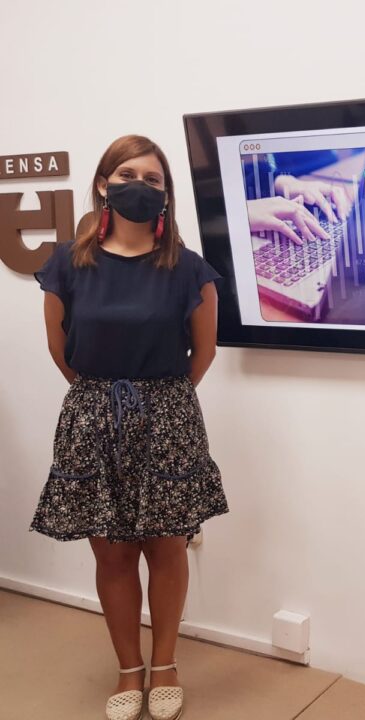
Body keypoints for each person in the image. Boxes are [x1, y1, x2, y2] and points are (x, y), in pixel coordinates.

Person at [31, 135, 229, 720]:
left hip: (168, 417)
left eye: (152, 178)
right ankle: (127, 667)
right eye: (127, 175)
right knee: (113, 556)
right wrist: (102, 396)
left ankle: (164, 664)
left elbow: (204, 353)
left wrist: (159, 402)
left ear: (166, 194)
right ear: (103, 184)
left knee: (167, 549)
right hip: (92, 417)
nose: (139, 186)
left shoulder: (188, 270)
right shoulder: (68, 263)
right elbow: (59, 349)